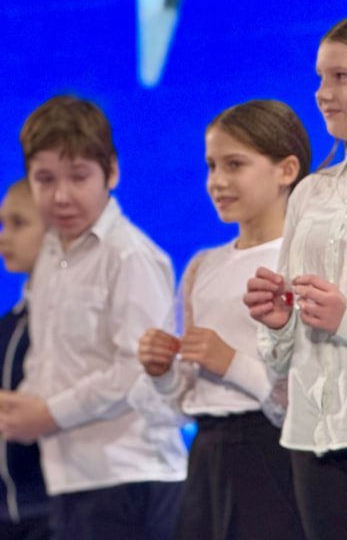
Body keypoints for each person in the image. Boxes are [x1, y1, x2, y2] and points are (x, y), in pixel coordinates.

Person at [9, 96, 185, 540]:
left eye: (78, 176)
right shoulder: (51, 253)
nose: (61, 196)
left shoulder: (129, 256)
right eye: (45, 179)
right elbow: (48, 357)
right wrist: (18, 406)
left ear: (112, 171)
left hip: (130, 475)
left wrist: (48, 414)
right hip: (68, 476)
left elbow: (135, 371)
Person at [133, 100, 309, 540]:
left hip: (275, 454)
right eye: (211, 165)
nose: (217, 181)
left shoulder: (302, 257)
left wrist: (230, 362)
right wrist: (161, 372)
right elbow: (186, 398)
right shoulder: (202, 267)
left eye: (235, 165)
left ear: (286, 170)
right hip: (207, 457)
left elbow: (312, 391)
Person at [242, 9, 347, 540]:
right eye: (321, 78)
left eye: (340, 76)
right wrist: (279, 322)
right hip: (309, 429)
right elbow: (280, 354)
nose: (322, 93)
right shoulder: (311, 192)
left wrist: (345, 318)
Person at [0, 180, 50, 540]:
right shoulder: (8, 327)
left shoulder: (70, 325)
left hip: (55, 512)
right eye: (3, 224)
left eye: (18, 223)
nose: (4, 237)